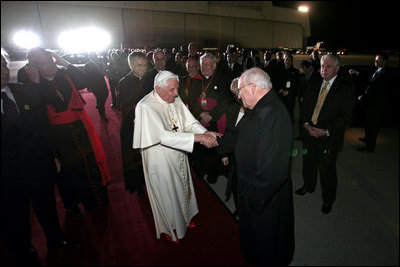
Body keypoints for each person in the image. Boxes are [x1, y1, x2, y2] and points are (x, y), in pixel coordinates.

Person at [1, 54, 80, 265]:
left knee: (47, 207)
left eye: (3, 65)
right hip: (7, 175)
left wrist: (53, 155)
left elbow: (43, 127)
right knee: (15, 216)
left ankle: (56, 238)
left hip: (37, 164)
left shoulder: (25, 91)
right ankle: (24, 250)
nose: (3, 71)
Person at [133, 70, 221, 243]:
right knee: (167, 193)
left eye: (177, 89)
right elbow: (163, 137)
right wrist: (198, 138)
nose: (176, 93)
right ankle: (169, 226)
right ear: (158, 89)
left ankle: (184, 219)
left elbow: (189, 122)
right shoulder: (146, 106)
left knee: (182, 186)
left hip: (178, 152)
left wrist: (206, 133)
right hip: (159, 158)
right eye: (172, 90)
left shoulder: (174, 98)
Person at [24, 47, 111, 216]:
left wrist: (61, 59)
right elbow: (35, 114)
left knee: (89, 165)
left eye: (51, 61)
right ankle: (73, 206)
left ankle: (97, 200)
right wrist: (34, 83)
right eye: (44, 64)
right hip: (56, 136)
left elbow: (86, 80)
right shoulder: (31, 85)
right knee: (68, 173)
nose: (50, 66)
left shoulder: (64, 75)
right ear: (34, 67)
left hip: (79, 129)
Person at [235, 68, 294, 265]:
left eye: (240, 89)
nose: (238, 94)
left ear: (252, 88)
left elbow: (273, 170)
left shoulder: (273, 113)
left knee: (267, 243)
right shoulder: (262, 107)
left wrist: (252, 198)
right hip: (256, 191)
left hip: (263, 198)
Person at [296, 54, 355, 214]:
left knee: (327, 169)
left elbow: (346, 116)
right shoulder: (314, 82)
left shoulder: (345, 88)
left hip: (329, 136)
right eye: (322, 66)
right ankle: (308, 186)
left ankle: (328, 199)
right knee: (308, 162)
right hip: (310, 132)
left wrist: (326, 130)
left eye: (328, 66)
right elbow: (305, 106)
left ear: (337, 68)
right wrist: (306, 124)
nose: (323, 69)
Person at [187, 52, 232, 184]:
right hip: (200, 119)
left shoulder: (222, 79)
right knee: (201, 149)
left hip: (216, 120)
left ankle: (214, 174)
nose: (205, 67)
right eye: (203, 64)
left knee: (214, 147)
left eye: (208, 64)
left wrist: (211, 115)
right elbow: (191, 100)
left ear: (214, 65)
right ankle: (200, 171)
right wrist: (201, 113)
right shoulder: (196, 80)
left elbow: (226, 101)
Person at [117, 51, 148, 195]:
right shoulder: (124, 82)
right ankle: (138, 185)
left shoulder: (150, 78)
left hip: (149, 124)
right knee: (135, 158)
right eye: (139, 65)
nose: (143, 68)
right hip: (132, 125)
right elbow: (126, 106)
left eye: (145, 65)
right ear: (130, 65)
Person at [216, 77, 246, 217]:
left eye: (239, 92)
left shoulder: (255, 111)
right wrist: (224, 153)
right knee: (235, 184)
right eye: (235, 93)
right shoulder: (232, 107)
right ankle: (239, 209)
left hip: (248, 157)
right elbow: (227, 131)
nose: (238, 96)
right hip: (233, 154)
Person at [350, 53, 392, 152]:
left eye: (378, 60)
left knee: (373, 125)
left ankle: (370, 146)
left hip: (376, 104)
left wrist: (363, 96)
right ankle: (367, 138)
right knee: (368, 122)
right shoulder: (376, 70)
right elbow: (369, 80)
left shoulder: (385, 74)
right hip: (370, 103)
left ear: (384, 61)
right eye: (375, 60)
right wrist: (358, 73)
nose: (375, 61)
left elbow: (376, 90)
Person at [84, 51, 109, 121]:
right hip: (94, 84)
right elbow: (87, 77)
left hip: (102, 82)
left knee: (104, 95)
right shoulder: (87, 65)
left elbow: (104, 73)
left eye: (95, 56)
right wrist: (88, 86)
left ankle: (100, 106)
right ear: (90, 57)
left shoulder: (100, 63)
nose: (94, 57)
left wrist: (104, 69)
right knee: (100, 98)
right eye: (92, 56)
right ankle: (102, 114)